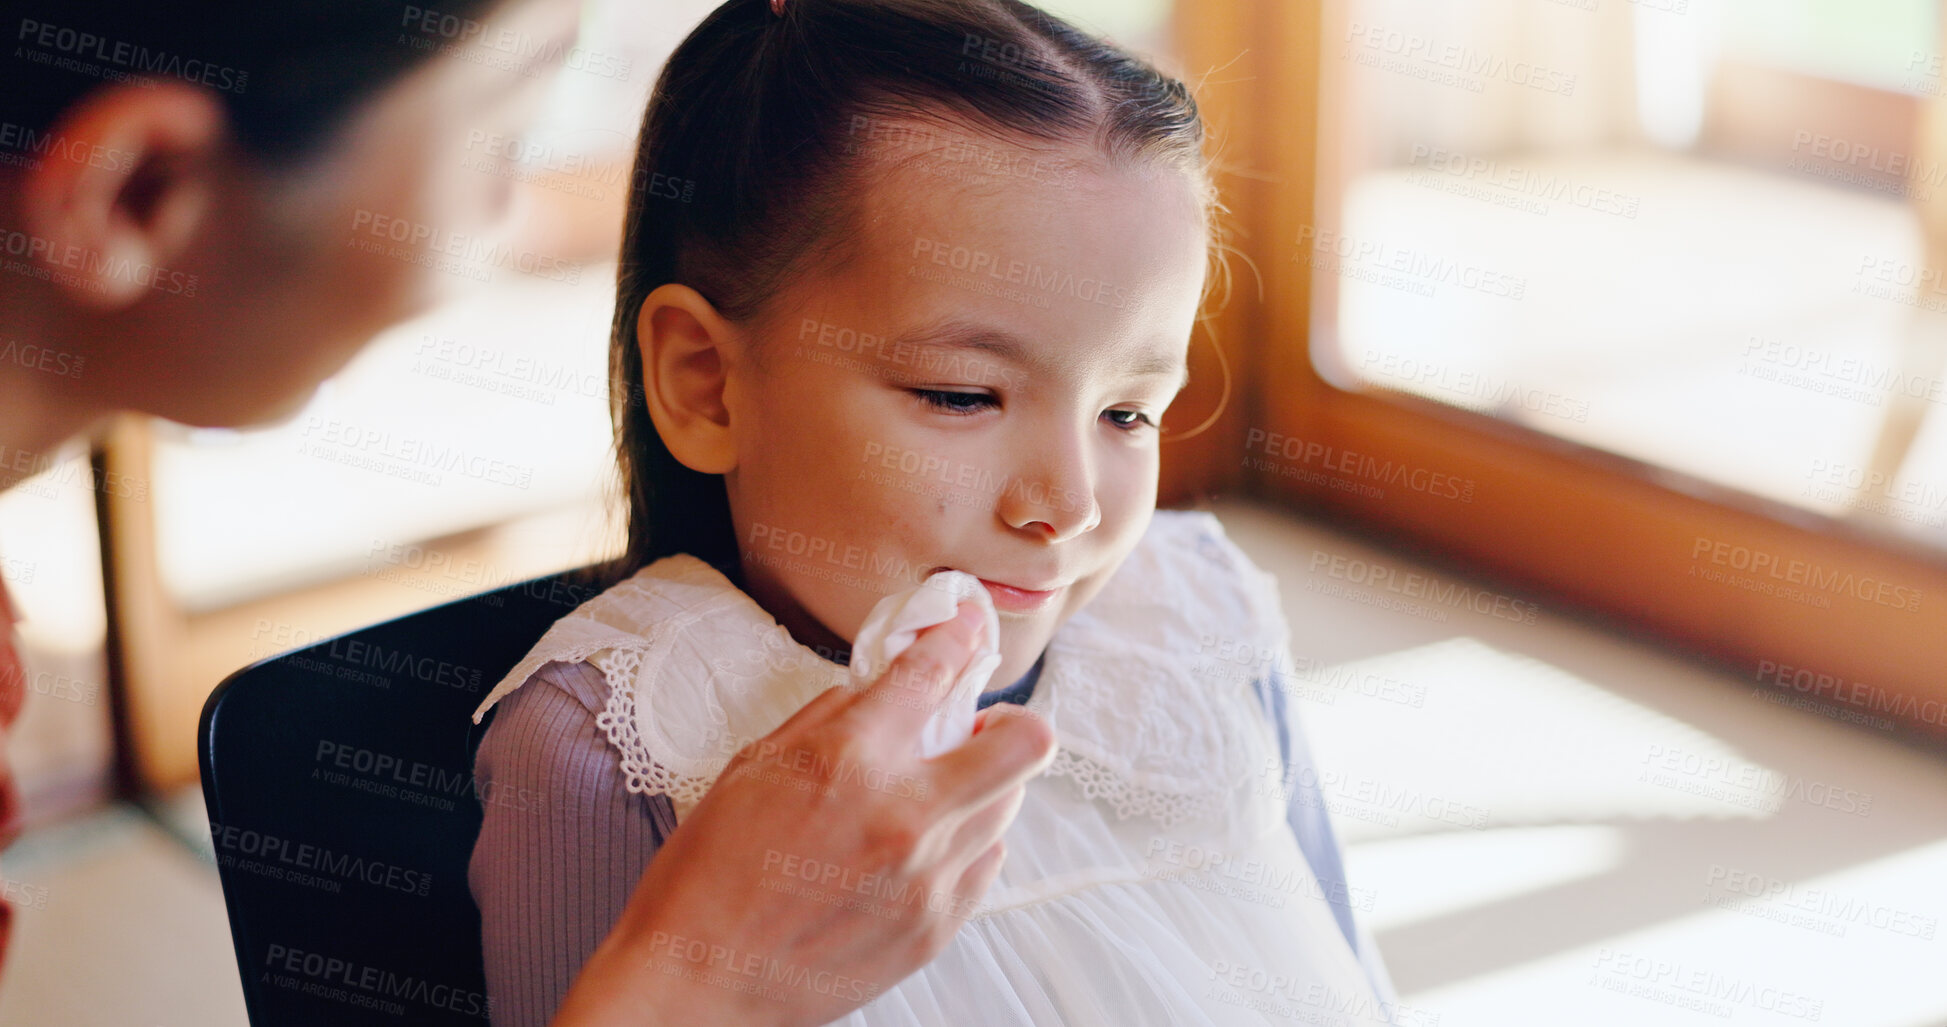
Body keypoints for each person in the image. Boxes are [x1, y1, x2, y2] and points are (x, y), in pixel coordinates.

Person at [0, 4, 1055, 1025]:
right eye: (509, 129)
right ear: (138, 189)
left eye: (1136, 408)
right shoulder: (587, 743)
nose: (511, 215)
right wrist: (704, 984)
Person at [467, 1, 1398, 1024]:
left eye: (1126, 412)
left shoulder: (1198, 618)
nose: (1069, 506)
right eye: (963, 395)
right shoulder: (611, 744)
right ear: (706, 386)